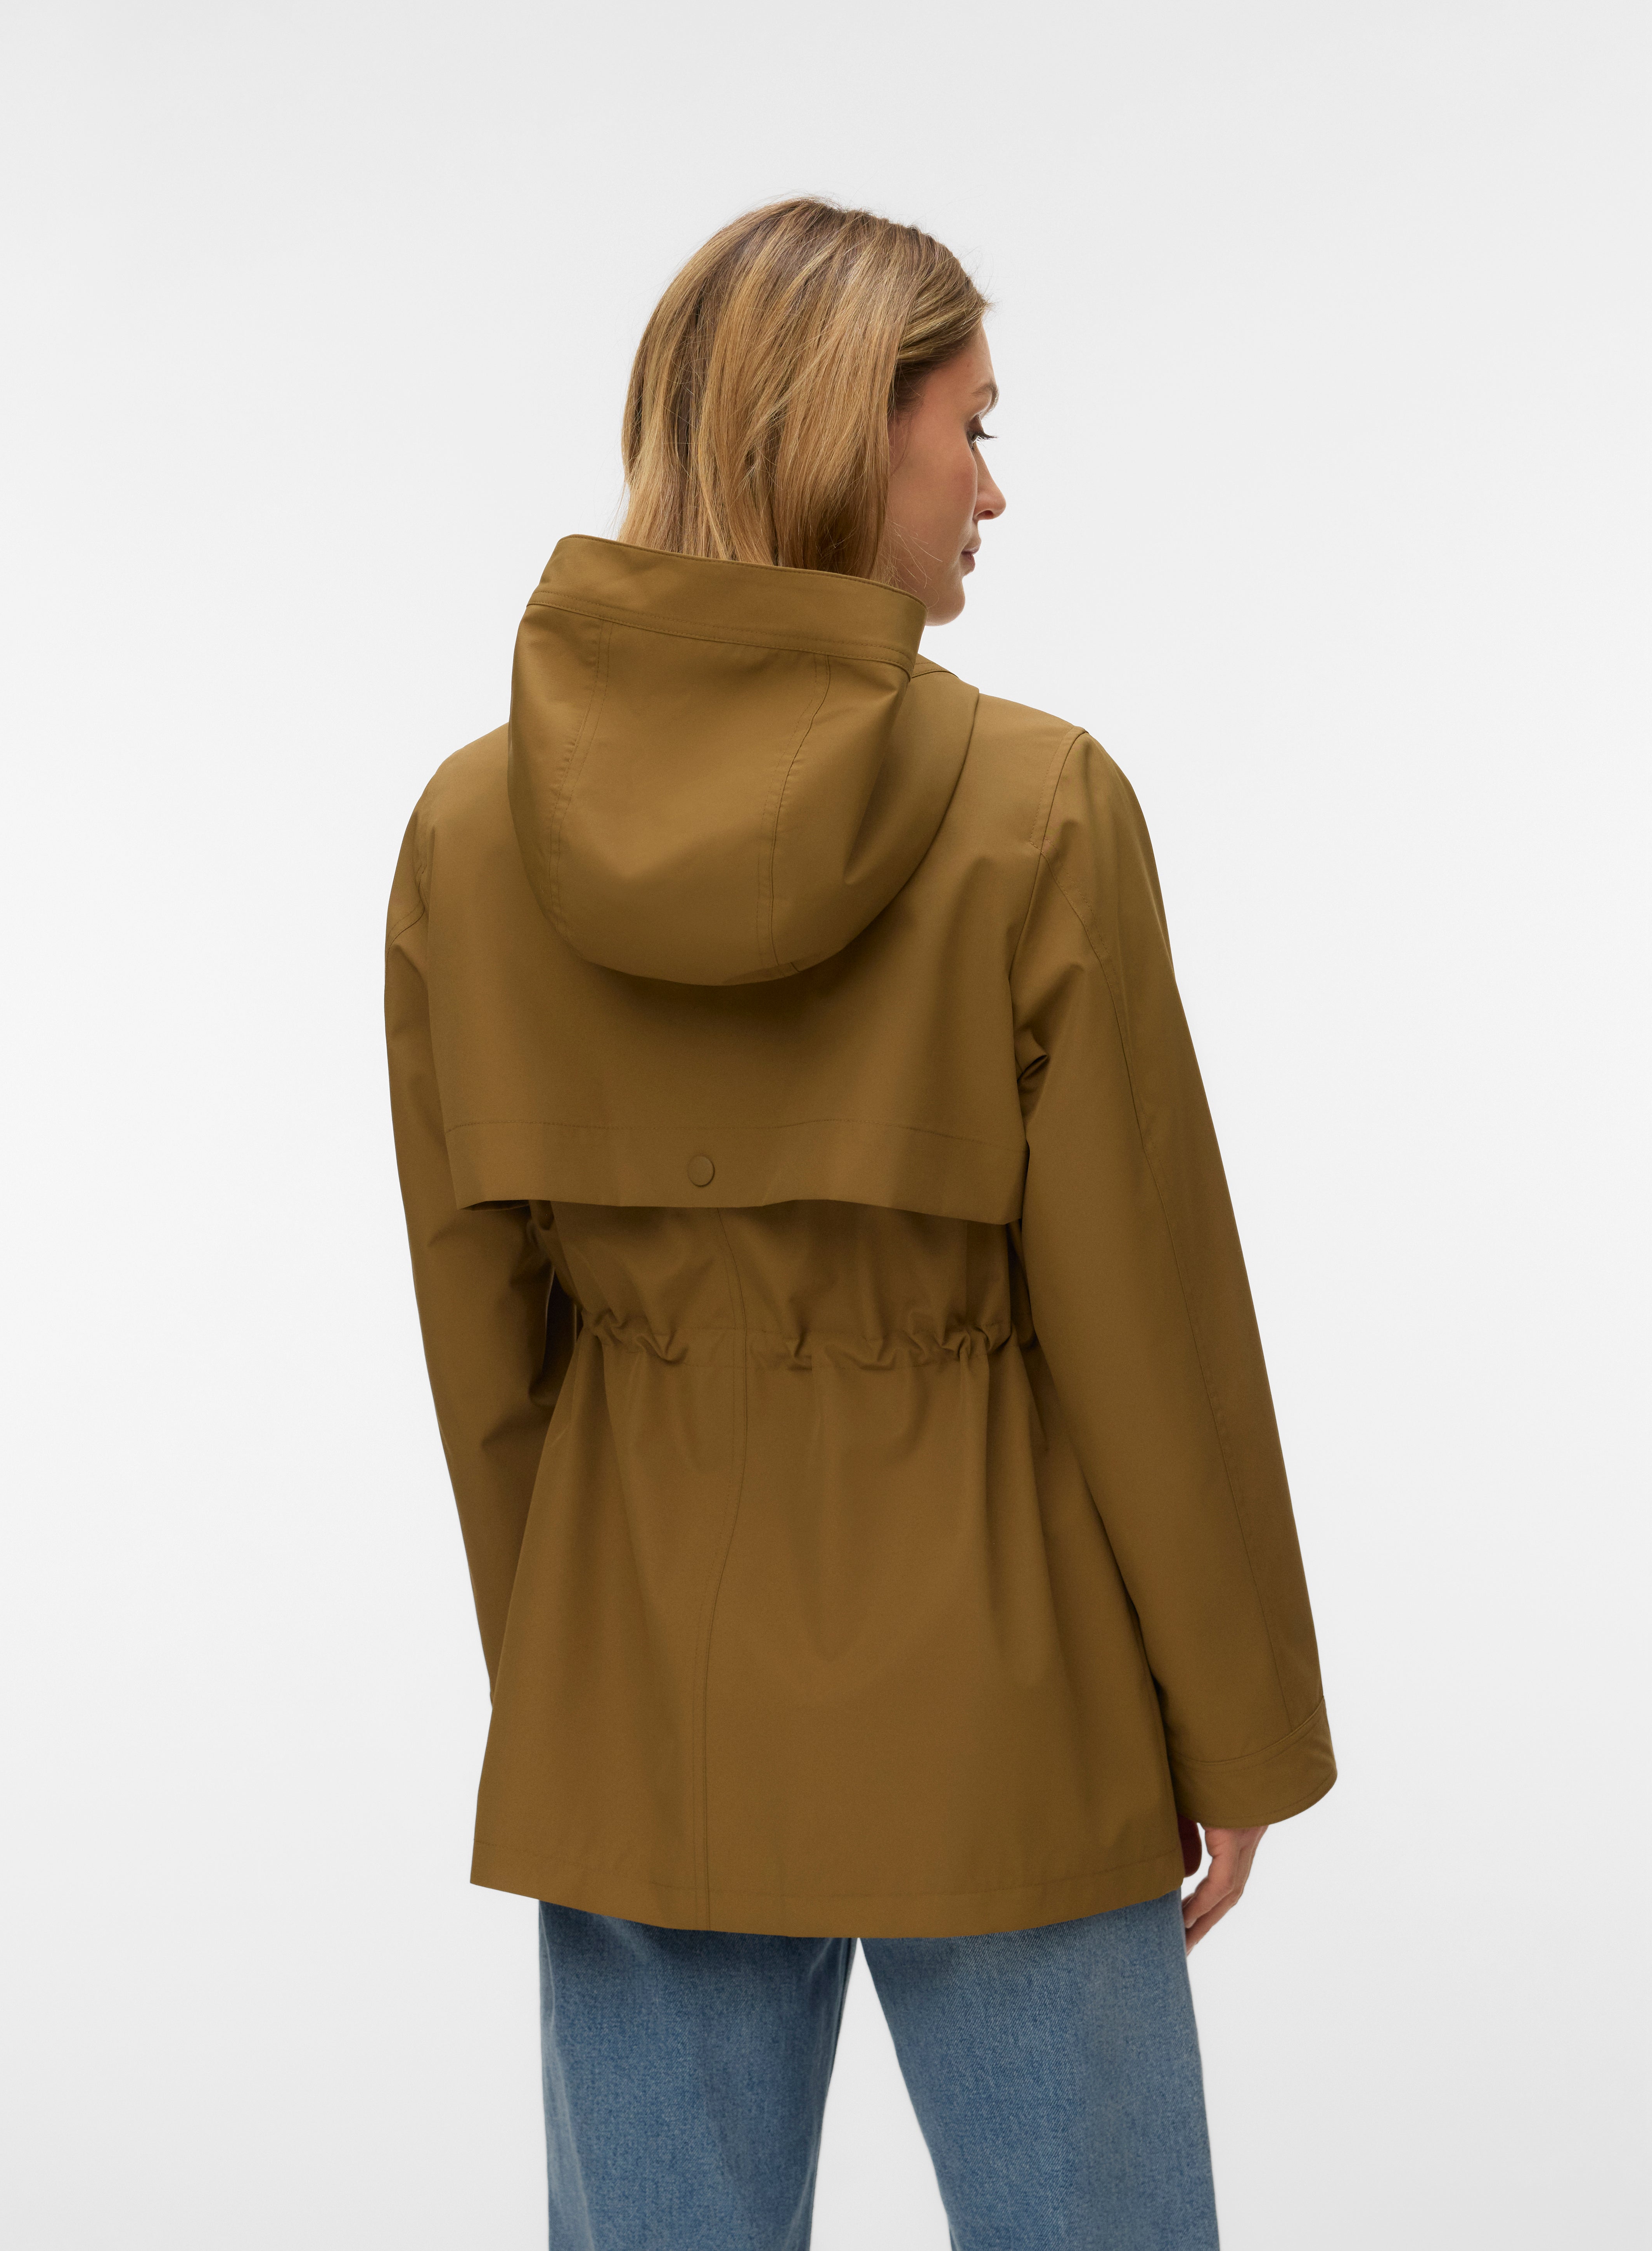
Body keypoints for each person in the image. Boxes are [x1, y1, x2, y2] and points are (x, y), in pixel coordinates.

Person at [385, 196, 1335, 2251]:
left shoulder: (469, 831)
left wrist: (571, 1679)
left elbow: (486, 1359)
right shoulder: (1039, 809)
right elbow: (1152, 1323)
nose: (992, 489)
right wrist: (1239, 1723)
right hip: (1011, 1685)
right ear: (844, 432)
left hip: (636, 1687)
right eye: (969, 427)